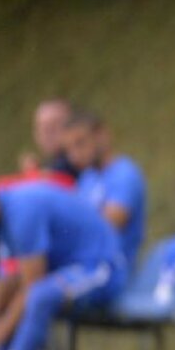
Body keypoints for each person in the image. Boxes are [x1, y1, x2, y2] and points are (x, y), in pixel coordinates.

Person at [0, 182, 127, 350]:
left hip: (100, 267)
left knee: (40, 296)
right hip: (61, 272)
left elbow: (32, 285)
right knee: (12, 294)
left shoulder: (22, 213)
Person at [62, 110, 147, 267]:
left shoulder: (124, 173)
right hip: (88, 265)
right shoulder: (87, 178)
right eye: (68, 150)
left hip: (117, 267)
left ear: (102, 135)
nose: (74, 156)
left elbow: (108, 226)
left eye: (80, 143)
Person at [19, 99, 78, 179]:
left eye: (54, 125)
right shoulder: (51, 164)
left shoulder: (80, 164)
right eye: (41, 127)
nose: (47, 133)